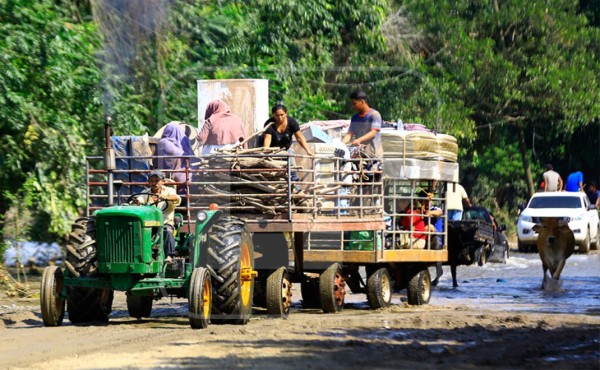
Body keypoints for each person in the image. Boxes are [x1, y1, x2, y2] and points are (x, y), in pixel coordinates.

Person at [134, 170, 181, 263]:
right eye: (151, 181)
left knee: (167, 231)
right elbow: (139, 199)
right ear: (148, 182)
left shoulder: (169, 191)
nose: (154, 183)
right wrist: (137, 201)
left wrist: (165, 198)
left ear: (162, 181)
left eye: (156, 181)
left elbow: (177, 198)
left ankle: (169, 256)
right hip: (148, 225)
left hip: (165, 223)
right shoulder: (145, 193)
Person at [156, 122, 195, 199]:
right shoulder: (164, 142)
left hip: (177, 172)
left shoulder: (163, 141)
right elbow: (182, 154)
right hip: (173, 173)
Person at [342, 90, 383, 158]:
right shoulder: (355, 118)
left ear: (361, 102)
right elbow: (350, 134)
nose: (353, 106)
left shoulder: (374, 115)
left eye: (354, 103)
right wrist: (341, 144)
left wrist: (359, 140)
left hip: (374, 155)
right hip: (360, 154)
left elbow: (373, 132)